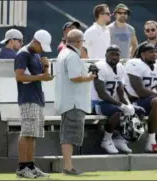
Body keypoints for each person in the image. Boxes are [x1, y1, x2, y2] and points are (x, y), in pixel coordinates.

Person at [54, 29, 96, 175]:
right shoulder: (71, 56)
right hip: (74, 103)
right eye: (82, 41)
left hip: (69, 101)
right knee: (69, 136)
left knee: (68, 135)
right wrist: (90, 77)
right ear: (79, 42)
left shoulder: (63, 53)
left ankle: (68, 166)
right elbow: (75, 77)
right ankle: (68, 167)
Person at [14, 29, 53, 178]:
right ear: (35, 42)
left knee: (33, 134)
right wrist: (42, 76)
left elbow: (42, 76)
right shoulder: (23, 54)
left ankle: (30, 166)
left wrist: (46, 66)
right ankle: (22, 168)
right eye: (41, 46)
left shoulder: (35, 54)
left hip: (36, 98)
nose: (43, 50)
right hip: (27, 97)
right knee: (27, 132)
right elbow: (19, 77)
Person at [92, 45, 144, 154]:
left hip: (111, 103)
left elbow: (120, 90)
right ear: (106, 54)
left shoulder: (120, 67)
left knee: (139, 110)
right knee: (117, 111)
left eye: (117, 55)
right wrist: (121, 106)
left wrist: (128, 105)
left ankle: (120, 138)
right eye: (112, 54)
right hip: (96, 103)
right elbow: (101, 94)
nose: (114, 57)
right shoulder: (99, 66)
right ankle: (106, 140)